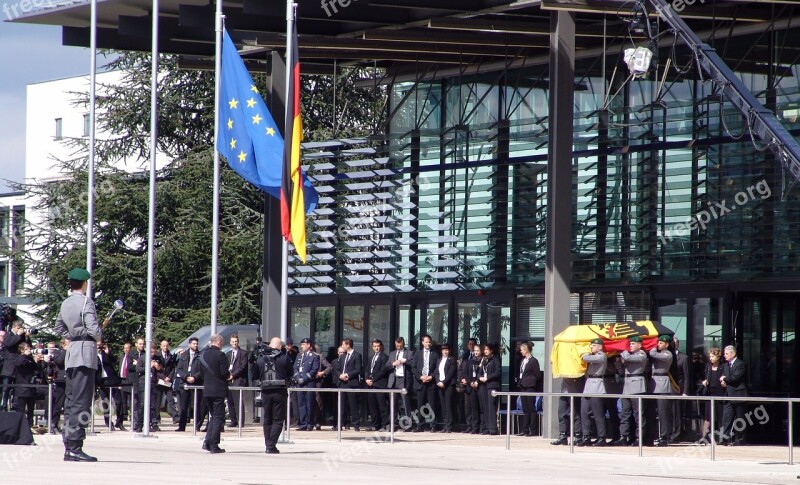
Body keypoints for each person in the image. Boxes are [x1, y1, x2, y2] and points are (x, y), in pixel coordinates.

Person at [54, 267, 102, 462]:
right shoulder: (86, 302)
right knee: (82, 401)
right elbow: (93, 328)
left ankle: (69, 444)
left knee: (71, 400)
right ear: (85, 283)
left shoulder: (65, 303)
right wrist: (96, 335)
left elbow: (58, 327)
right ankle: (75, 445)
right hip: (85, 353)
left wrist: (73, 335)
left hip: (72, 352)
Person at [255, 337, 293, 454]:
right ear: (279, 346)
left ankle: (268, 444)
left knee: (267, 419)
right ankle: (271, 445)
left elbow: (255, 375)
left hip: (265, 391)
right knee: (278, 420)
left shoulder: (260, 359)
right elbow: (290, 374)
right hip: (279, 391)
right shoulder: (284, 358)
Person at [195, 334, 229, 453]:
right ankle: (214, 445)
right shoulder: (221, 355)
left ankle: (207, 442)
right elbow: (224, 373)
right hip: (218, 390)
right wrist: (229, 376)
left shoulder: (203, 355)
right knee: (218, 417)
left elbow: (201, 372)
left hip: (207, 389)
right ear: (219, 343)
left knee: (213, 417)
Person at [612, 335, 648, 446]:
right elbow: (622, 370)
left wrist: (622, 349)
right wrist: (617, 361)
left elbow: (628, 358)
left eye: (633, 344)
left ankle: (640, 437)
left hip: (637, 386)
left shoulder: (641, 354)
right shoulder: (629, 355)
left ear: (639, 345)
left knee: (638, 414)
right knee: (624, 413)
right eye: (630, 344)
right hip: (627, 387)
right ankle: (624, 436)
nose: (631, 346)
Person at [579, 338, 608, 446]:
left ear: (600, 346)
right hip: (588, 385)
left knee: (598, 413)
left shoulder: (601, 356)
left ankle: (602, 437)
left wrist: (585, 350)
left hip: (597, 385)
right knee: (584, 412)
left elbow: (585, 357)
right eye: (591, 346)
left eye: (593, 345)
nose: (591, 347)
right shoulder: (593, 355)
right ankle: (586, 436)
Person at [720, 345, 748, 445]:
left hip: (738, 394)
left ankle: (740, 439)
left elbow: (735, 378)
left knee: (740, 418)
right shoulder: (725, 365)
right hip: (728, 394)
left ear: (733, 353)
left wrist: (724, 379)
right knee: (726, 417)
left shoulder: (740, 364)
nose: (725, 355)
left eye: (727, 354)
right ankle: (724, 438)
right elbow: (727, 378)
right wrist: (723, 382)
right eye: (724, 353)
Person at [649, 334, 674, 447]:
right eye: (657, 342)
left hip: (662, 383)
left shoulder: (667, 354)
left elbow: (652, 353)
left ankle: (664, 436)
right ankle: (653, 435)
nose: (658, 344)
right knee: (652, 412)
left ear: (667, 344)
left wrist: (652, 345)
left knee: (663, 413)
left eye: (660, 343)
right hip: (653, 383)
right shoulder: (658, 353)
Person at [412, 335, 439, 432]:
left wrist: (431, 376)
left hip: (430, 383)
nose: (428, 344)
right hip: (420, 383)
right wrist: (420, 377)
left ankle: (433, 425)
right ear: (422, 342)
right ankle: (420, 426)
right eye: (426, 342)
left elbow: (437, 368)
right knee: (420, 405)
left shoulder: (435, 354)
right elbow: (413, 367)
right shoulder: (418, 354)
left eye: (429, 342)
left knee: (432, 405)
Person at [697, 347, 724, 445]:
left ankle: (721, 437)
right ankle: (704, 437)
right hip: (709, 393)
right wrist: (703, 381)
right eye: (710, 356)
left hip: (720, 393)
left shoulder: (723, 367)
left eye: (713, 356)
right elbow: (700, 378)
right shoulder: (707, 366)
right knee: (708, 417)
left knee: (720, 416)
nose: (711, 358)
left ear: (718, 356)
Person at [12, 341, 43, 426]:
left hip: (31, 387)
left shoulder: (30, 359)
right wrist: (25, 355)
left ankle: (29, 425)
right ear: (22, 350)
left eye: (29, 348)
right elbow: (19, 364)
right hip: (22, 388)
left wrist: (38, 361)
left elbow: (37, 369)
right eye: (27, 349)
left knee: (31, 409)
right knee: (20, 409)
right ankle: (20, 426)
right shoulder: (19, 357)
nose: (29, 350)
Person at [174, 337, 201, 432]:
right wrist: (186, 377)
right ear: (189, 344)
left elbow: (201, 370)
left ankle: (197, 426)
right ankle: (182, 426)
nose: (195, 345)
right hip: (184, 383)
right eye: (194, 343)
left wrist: (195, 377)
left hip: (196, 383)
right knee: (183, 406)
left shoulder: (200, 355)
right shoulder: (184, 355)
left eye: (196, 343)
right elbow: (179, 369)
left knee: (196, 405)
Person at [294, 337, 320, 431]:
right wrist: (297, 377)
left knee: (309, 403)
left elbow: (314, 370)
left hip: (309, 383)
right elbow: (295, 368)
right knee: (301, 403)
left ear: (308, 345)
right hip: (300, 383)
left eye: (303, 344)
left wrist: (304, 379)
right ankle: (303, 423)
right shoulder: (299, 356)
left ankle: (310, 424)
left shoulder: (314, 356)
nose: (301, 346)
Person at [386, 337, 413, 427]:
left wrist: (405, 361)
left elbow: (414, 365)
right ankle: (393, 424)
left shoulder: (409, 353)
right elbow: (387, 366)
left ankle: (407, 425)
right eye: (397, 345)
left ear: (403, 344)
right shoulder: (392, 353)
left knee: (405, 403)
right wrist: (393, 364)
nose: (399, 347)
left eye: (400, 345)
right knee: (393, 403)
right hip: (393, 380)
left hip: (404, 380)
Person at [337, 338, 363, 431]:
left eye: (343, 345)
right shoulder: (343, 356)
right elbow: (338, 368)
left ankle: (356, 424)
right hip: (342, 383)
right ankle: (340, 423)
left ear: (348, 345)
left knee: (353, 405)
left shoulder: (357, 355)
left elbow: (358, 369)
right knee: (341, 404)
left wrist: (347, 375)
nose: (342, 346)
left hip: (352, 383)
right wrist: (340, 375)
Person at [516, 341, 540, 437]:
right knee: (525, 408)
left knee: (531, 408)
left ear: (526, 350)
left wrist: (531, 381)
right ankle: (525, 429)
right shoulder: (523, 361)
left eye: (522, 350)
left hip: (530, 387)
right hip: (523, 386)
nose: (520, 352)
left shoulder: (533, 361)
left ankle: (533, 430)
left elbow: (537, 374)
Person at [95, 339, 120, 430]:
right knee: (105, 403)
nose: (99, 346)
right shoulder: (93, 355)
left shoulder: (105, 353)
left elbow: (114, 361)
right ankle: (108, 422)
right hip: (101, 381)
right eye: (97, 345)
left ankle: (119, 421)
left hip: (111, 379)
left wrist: (108, 352)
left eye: (100, 345)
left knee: (118, 401)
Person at [365, 339, 389, 432]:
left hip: (379, 384)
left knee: (382, 406)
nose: (376, 348)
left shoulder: (384, 357)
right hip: (370, 385)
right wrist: (367, 379)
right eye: (374, 346)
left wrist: (373, 379)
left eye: (378, 346)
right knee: (372, 406)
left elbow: (383, 371)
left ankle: (385, 425)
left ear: (381, 346)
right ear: (372, 347)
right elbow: (367, 369)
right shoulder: (371, 358)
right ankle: (374, 425)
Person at [225, 334, 249, 427]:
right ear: (230, 343)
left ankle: (241, 421)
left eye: (236, 341)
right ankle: (233, 420)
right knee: (230, 401)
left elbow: (242, 367)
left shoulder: (243, 353)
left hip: (238, 379)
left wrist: (233, 375)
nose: (234, 343)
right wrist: (227, 375)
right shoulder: (228, 354)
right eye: (233, 342)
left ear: (238, 342)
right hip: (229, 380)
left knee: (238, 401)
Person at [477, 343, 500, 435]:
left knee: (491, 407)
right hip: (483, 385)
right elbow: (479, 372)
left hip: (492, 385)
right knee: (485, 407)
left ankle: (493, 428)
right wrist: (479, 377)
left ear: (491, 350)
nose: (485, 351)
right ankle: (486, 427)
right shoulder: (483, 360)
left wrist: (488, 378)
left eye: (487, 349)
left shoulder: (495, 360)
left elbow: (497, 372)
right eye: (484, 349)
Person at [671, 337, 690, 442]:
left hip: (678, 388)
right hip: (667, 388)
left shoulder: (683, 357)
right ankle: (668, 433)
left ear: (677, 344)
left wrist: (685, 392)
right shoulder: (666, 356)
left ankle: (677, 434)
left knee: (677, 412)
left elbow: (687, 376)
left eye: (674, 343)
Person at [435, 343, 457, 433]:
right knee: (443, 405)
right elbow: (436, 372)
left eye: (447, 350)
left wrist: (444, 382)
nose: (445, 351)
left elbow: (451, 373)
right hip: (440, 384)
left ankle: (449, 426)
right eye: (444, 350)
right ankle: (445, 425)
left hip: (448, 385)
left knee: (448, 405)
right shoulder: (439, 360)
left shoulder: (451, 359)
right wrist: (438, 382)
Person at [313, 343, 333, 430]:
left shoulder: (320, 356)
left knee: (318, 401)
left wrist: (322, 373)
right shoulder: (302, 356)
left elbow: (329, 367)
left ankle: (317, 421)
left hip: (317, 382)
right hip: (307, 381)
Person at [464, 345, 483, 434]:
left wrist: (477, 382)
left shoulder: (483, 361)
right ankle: (471, 426)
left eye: (478, 350)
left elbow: (482, 373)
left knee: (478, 408)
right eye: (475, 350)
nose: (476, 352)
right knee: (471, 407)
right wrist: (470, 382)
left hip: (479, 386)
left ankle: (478, 426)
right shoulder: (470, 361)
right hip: (471, 386)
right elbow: (466, 373)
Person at [116, 342, 134, 431]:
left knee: (131, 401)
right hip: (122, 380)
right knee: (122, 400)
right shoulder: (121, 357)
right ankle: (123, 416)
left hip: (129, 380)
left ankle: (132, 417)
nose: (126, 350)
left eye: (128, 348)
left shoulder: (132, 357)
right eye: (125, 348)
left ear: (131, 349)